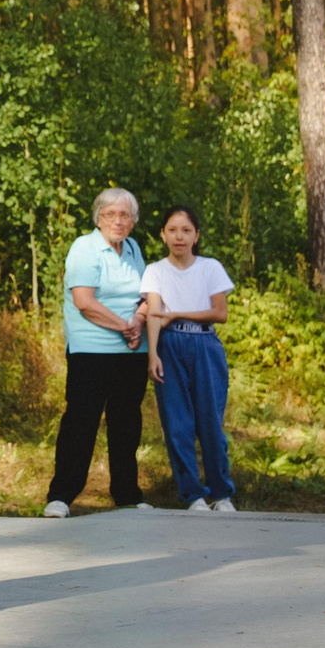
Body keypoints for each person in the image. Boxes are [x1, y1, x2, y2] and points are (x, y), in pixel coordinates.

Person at [43, 188, 152, 517]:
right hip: (90, 352)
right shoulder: (84, 248)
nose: (118, 221)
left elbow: (149, 294)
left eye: (125, 215)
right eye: (111, 215)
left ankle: (127, 495)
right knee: (81, 422)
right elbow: (84, 302)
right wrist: (125, 325)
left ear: (133, 221)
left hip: (132, 352)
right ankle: (61, 496)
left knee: (126, 424)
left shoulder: (133, 248)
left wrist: (139, 321)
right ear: (98, 218)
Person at [140, 205, 236, 513]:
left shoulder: (210, 268)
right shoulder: (155, 271)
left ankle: (221, 493)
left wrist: (177, 312)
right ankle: (193, 494)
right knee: (177, 424)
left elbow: (219, 313)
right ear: (163, 235)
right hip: (169, 346)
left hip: (204, 344)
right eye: (172, 230)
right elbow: (155, 314)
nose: (179, 236)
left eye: (186, 230)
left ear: (196, 236)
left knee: (210, 422)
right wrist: (153, 352)